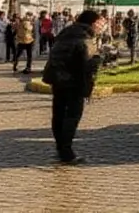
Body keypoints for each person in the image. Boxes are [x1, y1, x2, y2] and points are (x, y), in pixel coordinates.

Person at [42, 10, 106, 164]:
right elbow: (87, 64)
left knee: (58, 114)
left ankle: (61, 148)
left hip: (57, 78)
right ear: (92, 23)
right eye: (99, 23)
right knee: (72, 116)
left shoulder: (67, 32)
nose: (101, 26)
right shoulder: (85, 38)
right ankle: (67, 152)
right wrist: (100, 59)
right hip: (74, 81)